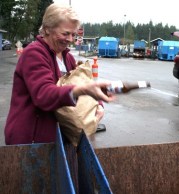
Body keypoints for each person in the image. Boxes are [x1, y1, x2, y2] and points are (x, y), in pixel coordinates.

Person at [4, 3, 115, 145]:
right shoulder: (34, 53)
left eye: (73, 34)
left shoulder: (67, 57)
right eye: (65, 33)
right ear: (47, 29)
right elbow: (43, 95)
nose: (70, 39)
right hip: (30, 140)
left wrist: (97, 104)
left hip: (55, 138)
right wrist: (83, 90)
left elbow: (81, 85)